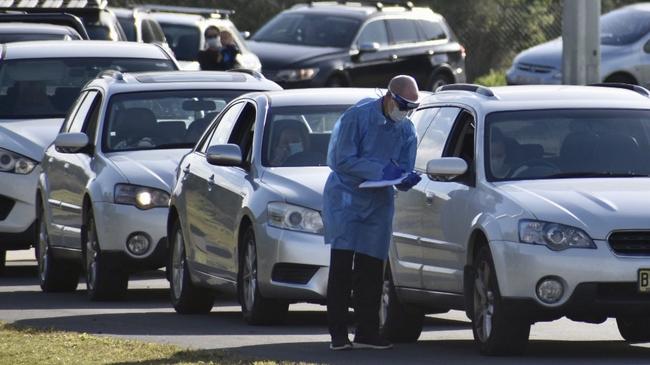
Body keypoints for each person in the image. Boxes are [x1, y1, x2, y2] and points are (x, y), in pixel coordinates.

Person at [322, 75, 422, 351]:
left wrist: (403, 178)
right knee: (342, 266)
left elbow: (404, 165)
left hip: (379, 201)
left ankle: (367, 331)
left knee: (372, 269)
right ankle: (338, 333)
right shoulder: (358, 117)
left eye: (411, 107)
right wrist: (380, 171)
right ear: (389, 97)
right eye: (403, 105)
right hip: (346, 199)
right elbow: (341, 159)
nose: (406, 112)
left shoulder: (406, 129)